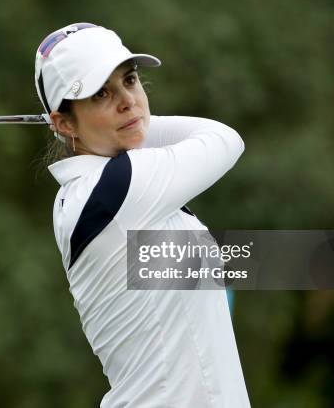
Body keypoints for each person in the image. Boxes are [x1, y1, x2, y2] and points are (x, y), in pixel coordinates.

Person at [34, 23, 251, 407]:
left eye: (130, 81)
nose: (127, 101)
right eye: (100, 93)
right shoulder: (118, 190)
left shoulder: (95, 196)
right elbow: (224, 138)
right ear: (64, 122)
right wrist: (138, 125)